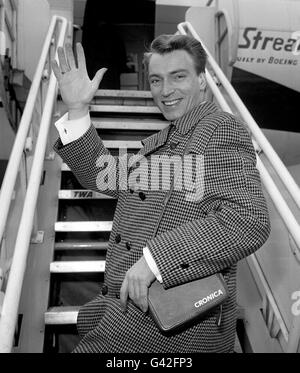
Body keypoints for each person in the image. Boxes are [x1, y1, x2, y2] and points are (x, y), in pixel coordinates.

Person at [52, 34, 271, 353]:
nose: (165, 90)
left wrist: (154, 261)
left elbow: (247, 220)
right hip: (129, 312)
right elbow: (104, 177)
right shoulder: (165, 140)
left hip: (169, 327)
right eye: (156, 80)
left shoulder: (219, 129)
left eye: (178, 76)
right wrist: (77, 110)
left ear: (202, 79)